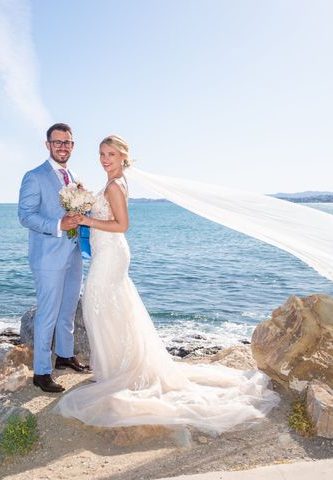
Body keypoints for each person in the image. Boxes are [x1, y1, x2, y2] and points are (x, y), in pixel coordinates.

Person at [54, 135, 279, 434]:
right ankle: (115, 368)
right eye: (101, 153)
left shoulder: (115, 185)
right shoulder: (112, 183)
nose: (105, 158)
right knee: (110, 308)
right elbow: (106, 212)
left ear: (123, 156)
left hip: (110, 254)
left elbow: (122, 225)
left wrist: (85, 220)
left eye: (111, 153)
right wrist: (86, 199)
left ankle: (118, 372)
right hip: (107, 253)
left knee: (102, 307)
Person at [18, 123, 90, 394]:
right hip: (47, 256)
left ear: (73, 145)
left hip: (72, 253)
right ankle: (42, 372)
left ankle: (64, 355)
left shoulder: (71, 176)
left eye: (67, 142)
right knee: (47, 313)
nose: (62, 146)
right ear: (47, 144)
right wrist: (58, 223)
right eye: (57, 142)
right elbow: (25, 216)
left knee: (68, 308)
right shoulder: (34, 176)